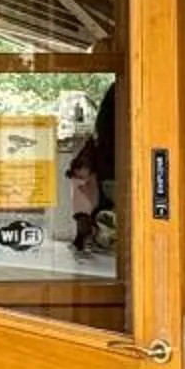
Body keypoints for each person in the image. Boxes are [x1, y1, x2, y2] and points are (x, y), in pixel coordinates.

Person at [67, 78, 117, 255]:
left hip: (105, 173)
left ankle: (86, 240)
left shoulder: (104, 126)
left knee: (92, 209)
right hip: (112, 172)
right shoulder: (121, 99)